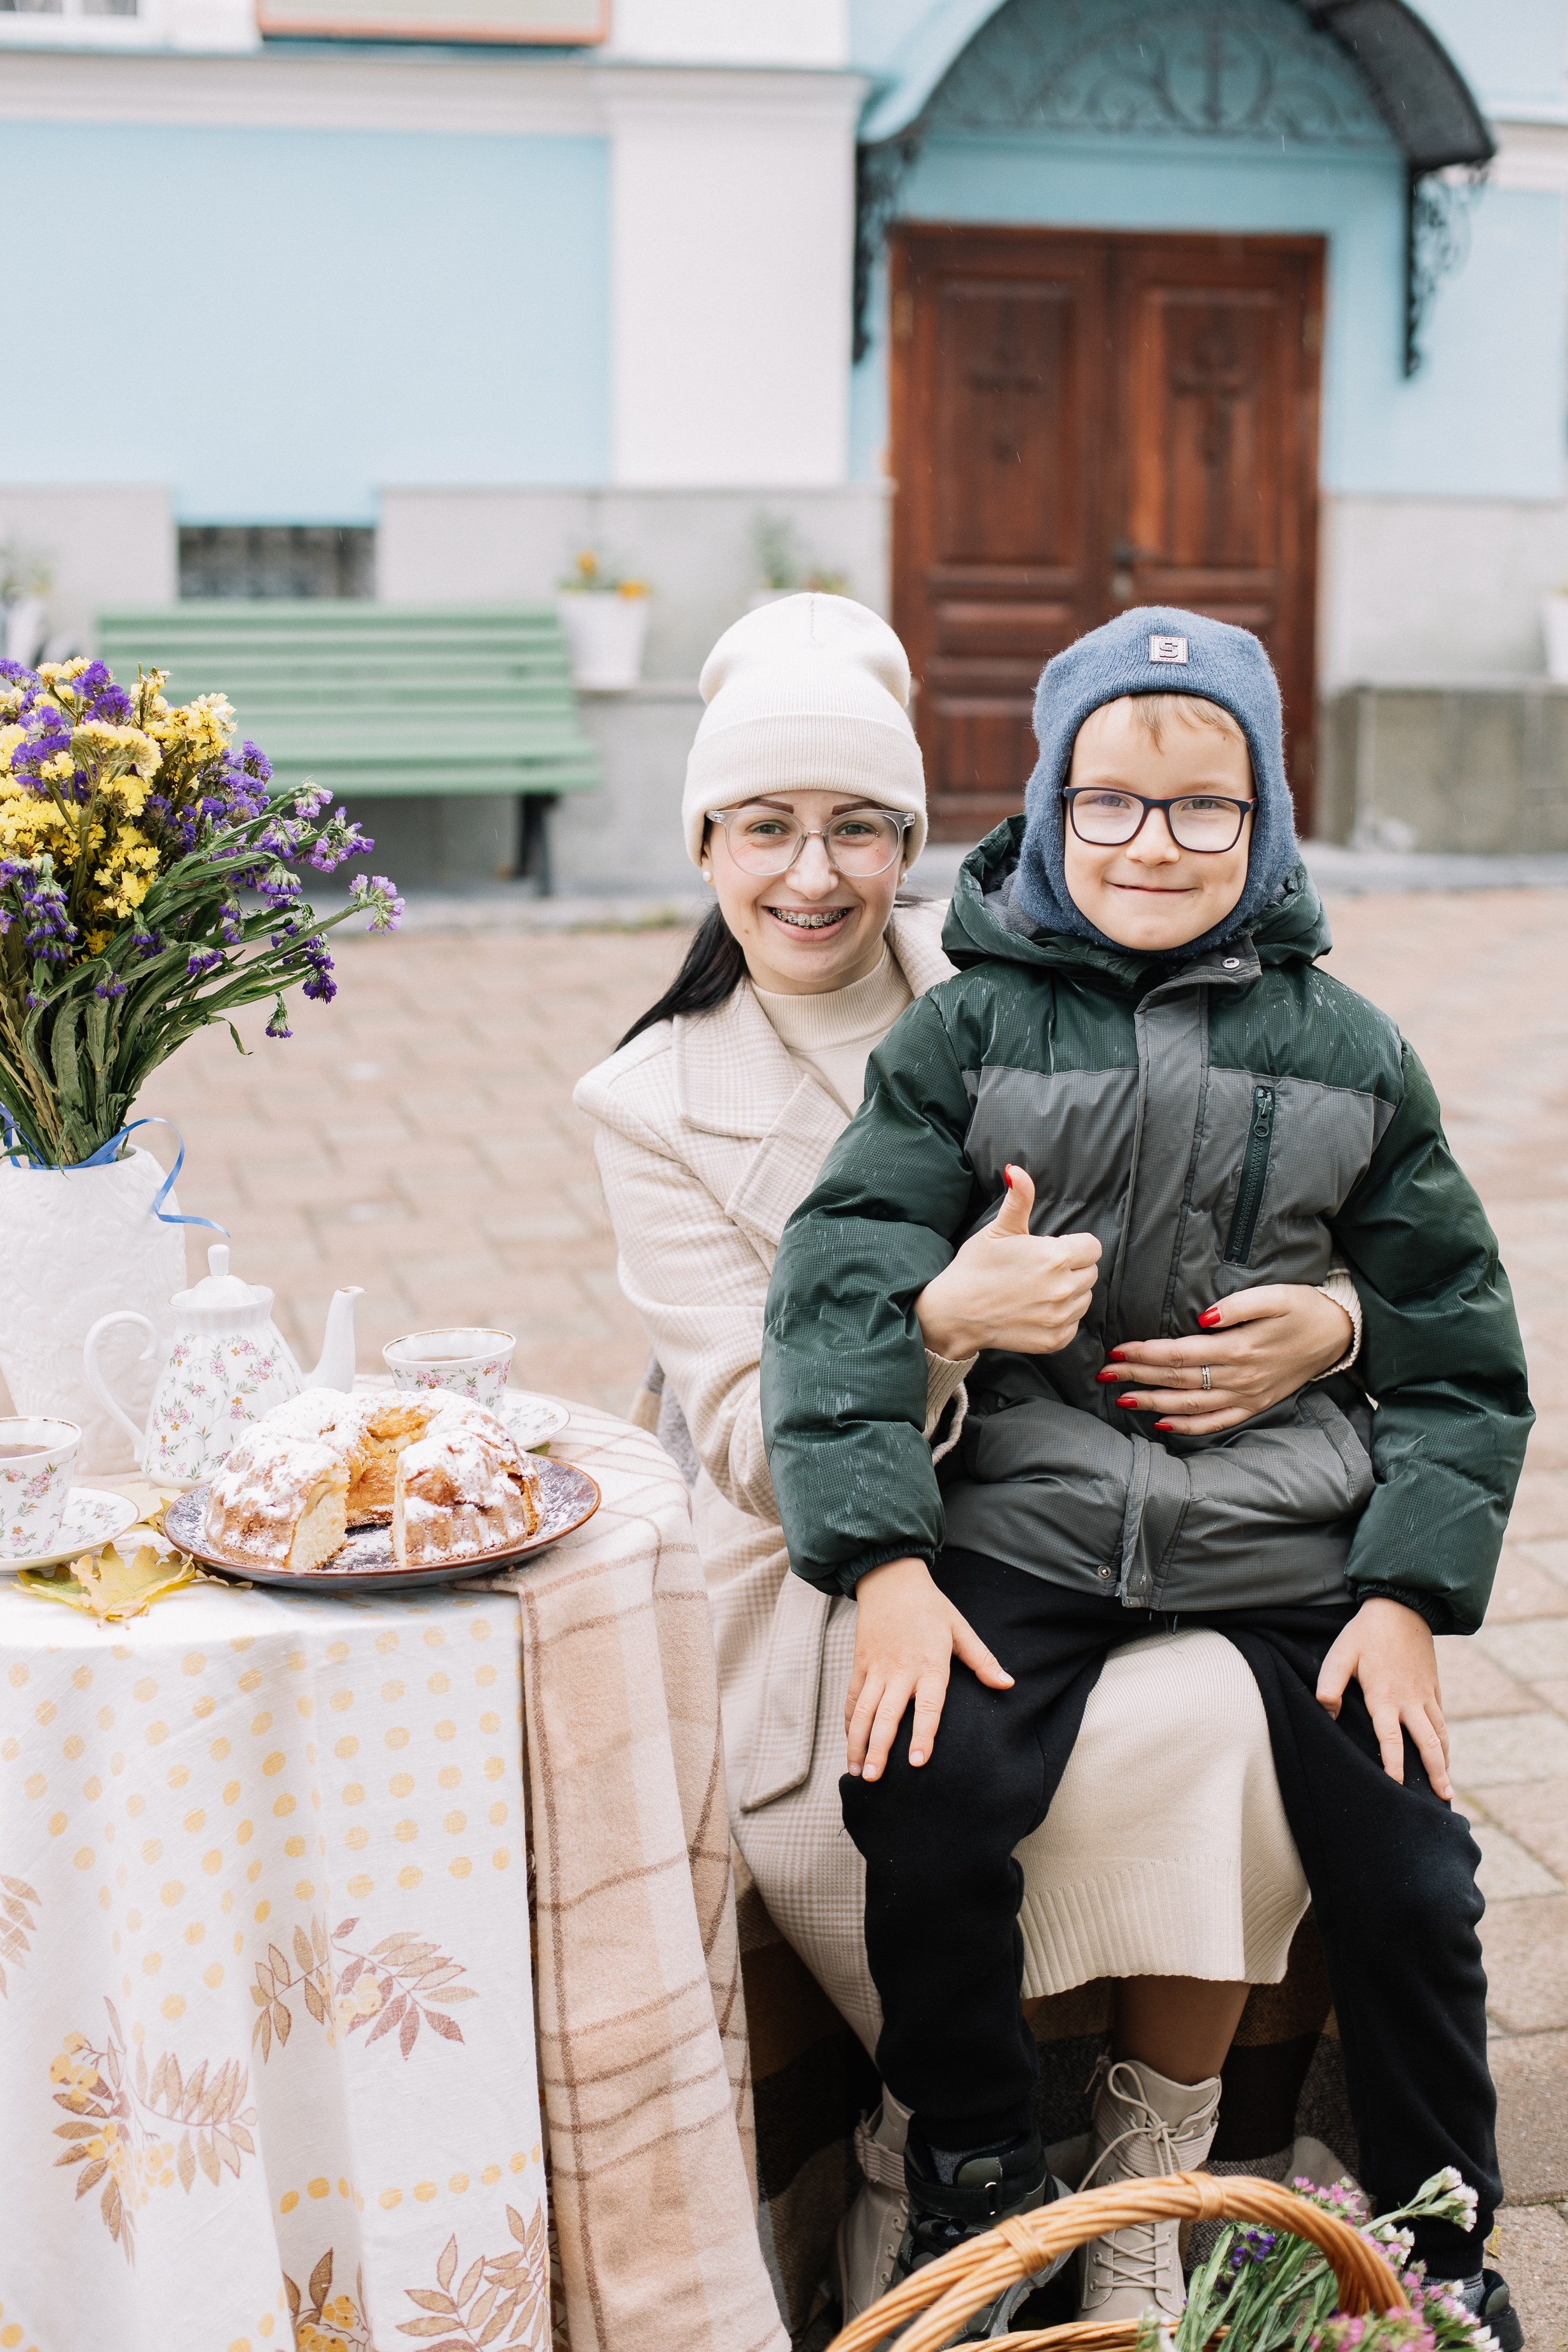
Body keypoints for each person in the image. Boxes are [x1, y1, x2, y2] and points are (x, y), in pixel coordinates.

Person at [575, 594, 1372, 2318]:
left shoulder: (1035, 970)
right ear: (700, 839)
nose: (813, 872)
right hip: (815, 1568)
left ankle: (1150, 2173)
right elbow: (745, 1443)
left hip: (1089, 1496)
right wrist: (935, 1319)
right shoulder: (652, 1101)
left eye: (859, 824)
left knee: (1242, 1712)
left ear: (913, 842)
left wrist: (1345, 1323)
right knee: (902, 1819)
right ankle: (937, 2228)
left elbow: (1303, 1159)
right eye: (767, 825)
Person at [760, 605, 1533, 2339]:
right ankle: (975, 2158)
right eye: (1107, 801)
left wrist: (1406, 1591)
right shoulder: (959, 1039)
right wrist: (885, 1565)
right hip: (1025, 1517)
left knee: (1413, 1873)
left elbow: (1454, 1336)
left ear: (1264, 826)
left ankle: (1436, 2241)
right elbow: (835, 1297)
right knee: (922, 1796)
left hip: (1286, 1538)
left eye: (1203, 808)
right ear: (1042, 812)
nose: (1152, 843)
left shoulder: (1351, 1049)